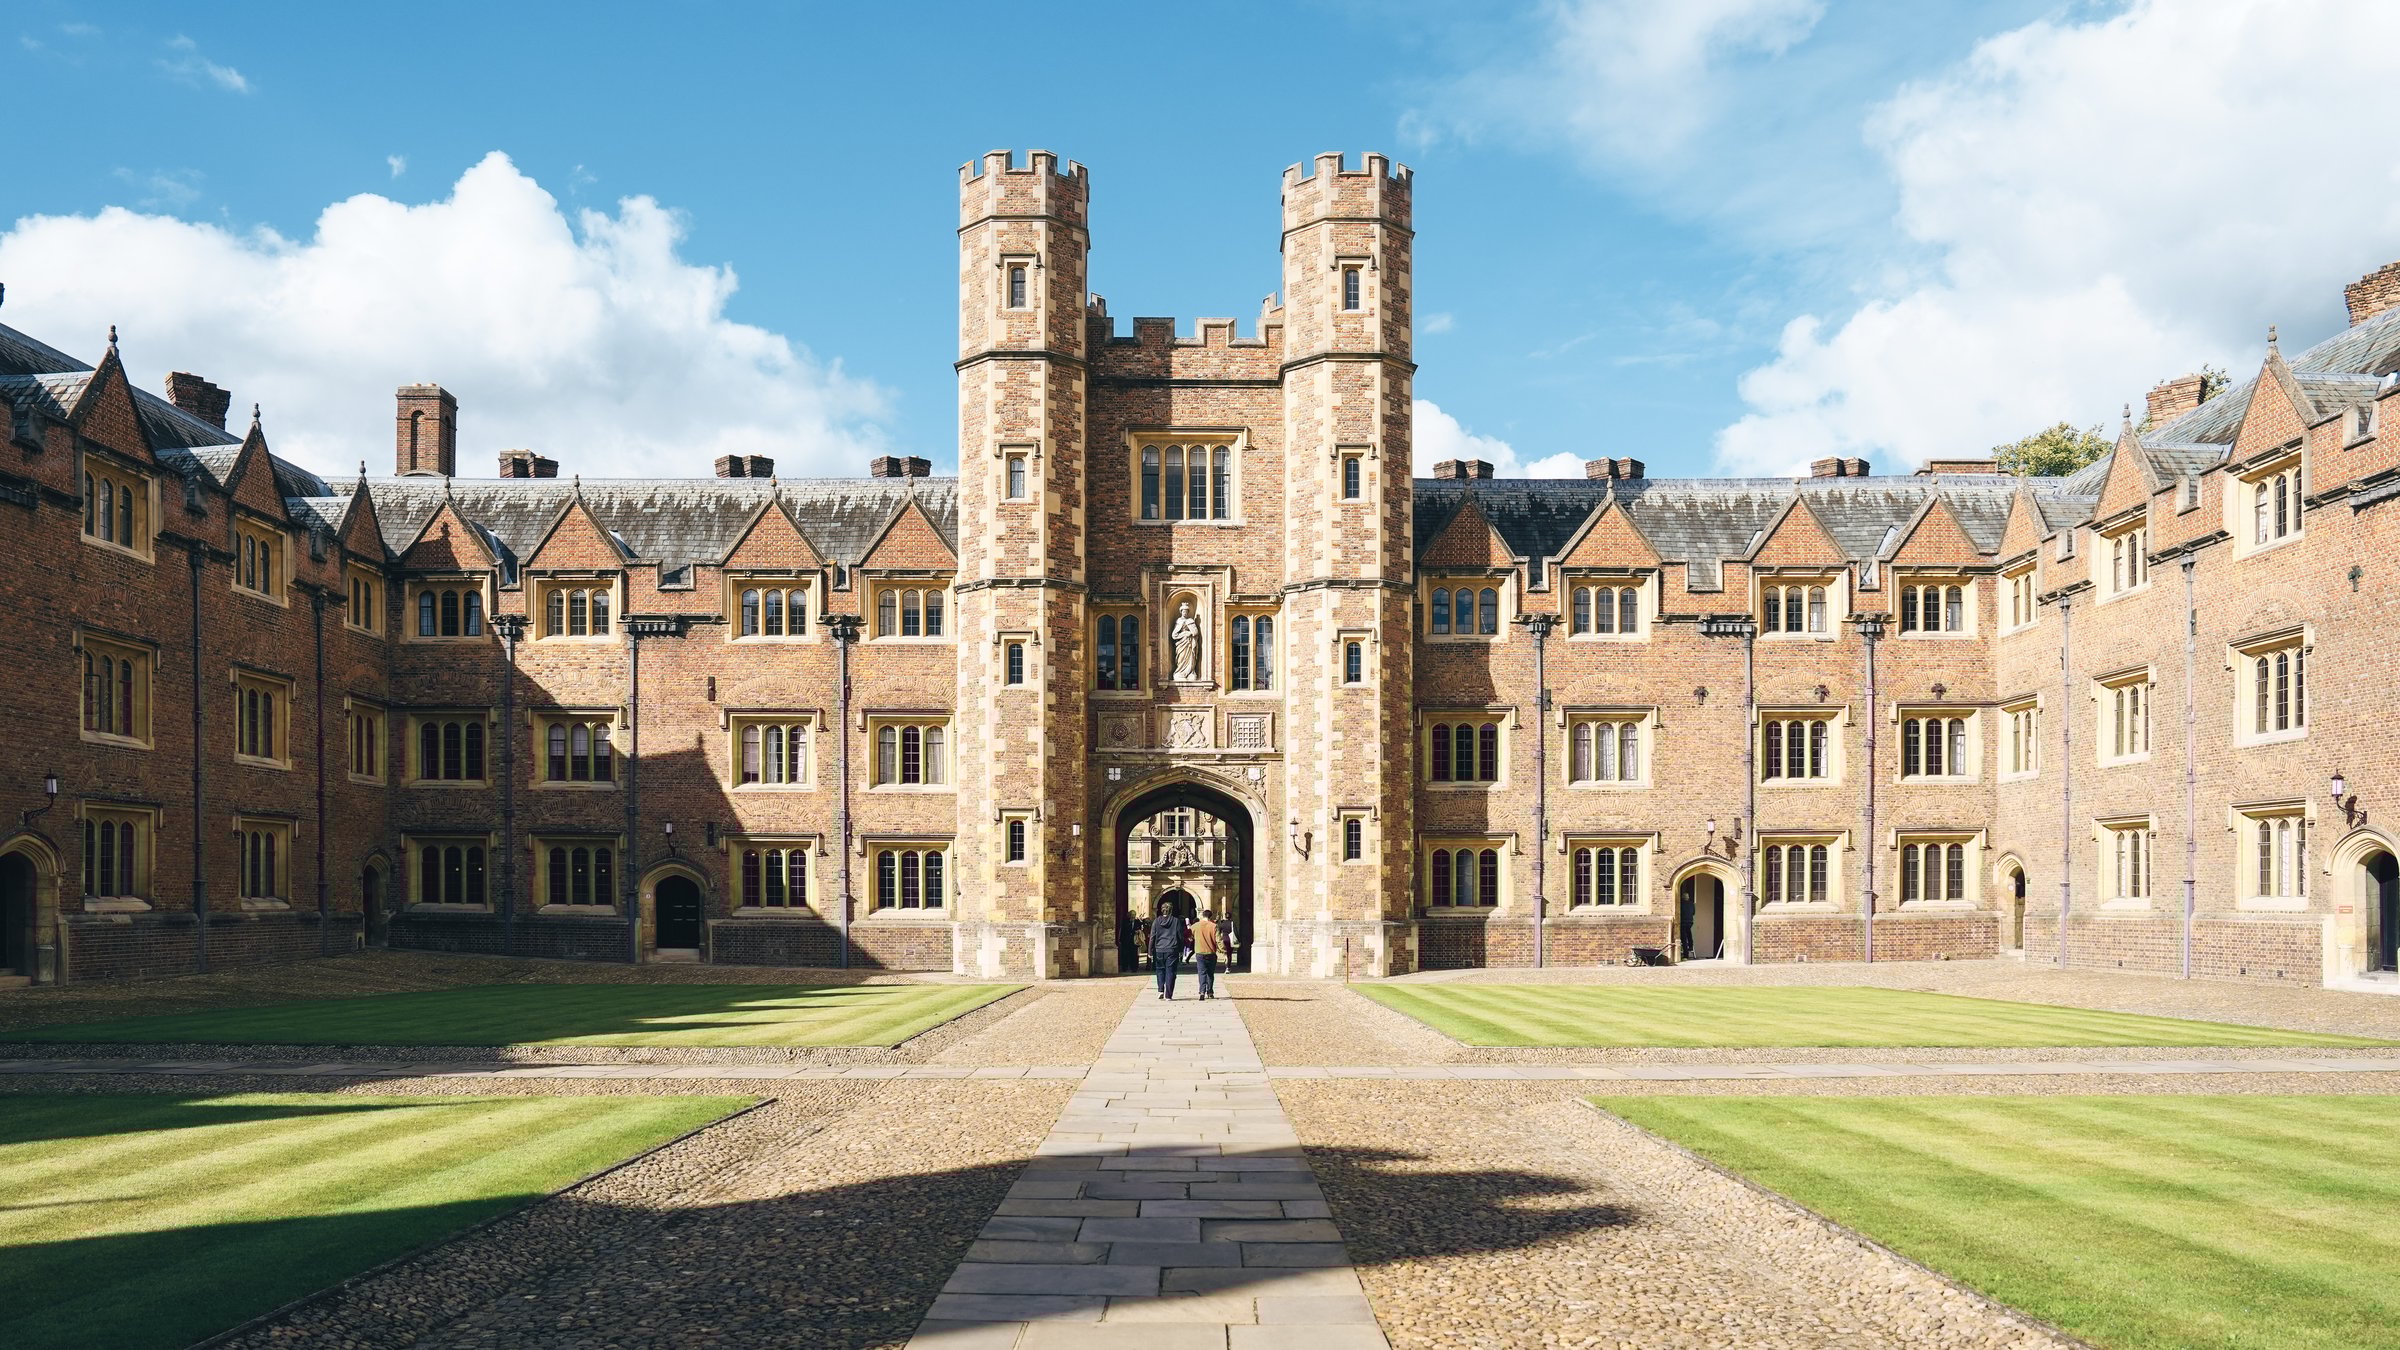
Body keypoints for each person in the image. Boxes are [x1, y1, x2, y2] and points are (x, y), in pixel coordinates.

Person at [1149, 905, 1190, 999]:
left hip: (1159, 949)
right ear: (1171, 911)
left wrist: (1150, 951)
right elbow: (1180, 936)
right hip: (1172, 948)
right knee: (1171, 971)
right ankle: (1168, 995)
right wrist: (1181, 950)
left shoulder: (1156, 921)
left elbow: (1152, 937)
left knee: (1160, 970)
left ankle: (1160, 990)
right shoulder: (1176, 921)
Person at [1189, 907, 1224, 1000]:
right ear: (1210, 916)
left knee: (1201, 972)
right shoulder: (1214, 926)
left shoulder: (1195, 925)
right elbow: (1218, 940)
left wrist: (1192, 940)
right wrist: (1223, 950)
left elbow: (1188, 935)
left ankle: (1202, 992)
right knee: (1210, 973)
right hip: (1211, 952)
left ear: (1202, 916)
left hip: (1199, 952)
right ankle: (1210, 991)